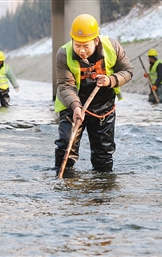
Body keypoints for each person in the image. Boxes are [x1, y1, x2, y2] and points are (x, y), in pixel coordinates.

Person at [54, 13, 134, 173]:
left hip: (104, 108)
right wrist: (76, 107)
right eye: (77, 45)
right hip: (73, 106)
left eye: (86, 46)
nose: (81, 50)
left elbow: (128, 71)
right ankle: (64, 187)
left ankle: (102, 189)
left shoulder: (113, 47)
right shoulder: (63, 54)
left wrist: (111, 80)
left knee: (103, 157)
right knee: (66, 147)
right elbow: (65, 85)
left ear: (96, 40)